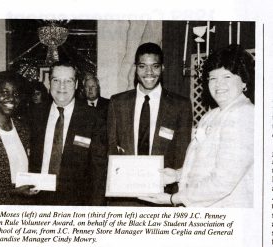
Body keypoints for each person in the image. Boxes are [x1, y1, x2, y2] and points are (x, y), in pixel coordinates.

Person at [139, 44, 254, 208]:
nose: (218, 84)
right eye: (213, 78)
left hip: (227, 213)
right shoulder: (210, 116)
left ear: (244, 81)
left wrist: (173, 199)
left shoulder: (244, 115)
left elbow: (223, 181)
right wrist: (178, 175)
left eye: (226, 77)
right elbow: (205, 164)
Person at [107, 42, 193, 206]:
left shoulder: (180, 105)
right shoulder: (117, 102)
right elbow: (111, 148)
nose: (149, 72)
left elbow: (182, 155)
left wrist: (174, 199)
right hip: (124, 199)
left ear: (162, 68)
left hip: (163, 198)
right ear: (135, 69)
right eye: (142, 66)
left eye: (155, 66)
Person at [29, 61, 107, 206]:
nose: (62, 86)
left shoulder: (93, 118)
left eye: (68, 81)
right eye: (56, 80)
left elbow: (99, 172)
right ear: (49, 83)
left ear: (76, 84)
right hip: (37, 200)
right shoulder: (35, 114)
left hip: (76, 203)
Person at [0, 71, 36, 205]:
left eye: (16, 94)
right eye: (4, 92)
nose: (11, 98)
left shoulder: (22, 129)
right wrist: (13, 191)